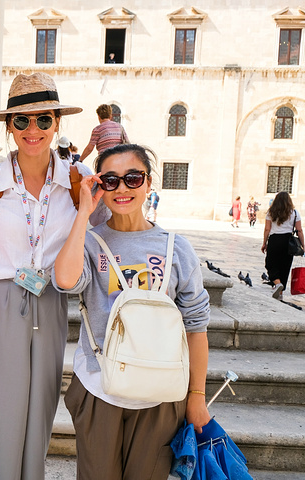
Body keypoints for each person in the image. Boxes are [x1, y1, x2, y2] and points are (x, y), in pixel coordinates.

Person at [0, 72, 108, 480]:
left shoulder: (77, 183)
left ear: (57, 122)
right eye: (21, 120)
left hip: (50, 301)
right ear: (9, 126)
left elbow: (113, 226)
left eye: (43, 119)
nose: (33, 129)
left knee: (39, 411)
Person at [53, 144, 211, 480]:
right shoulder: (90, 242)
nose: (122, 188)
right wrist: (84, 212)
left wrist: (196, 397)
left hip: (161, 393)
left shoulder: (176, 248)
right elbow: (65, 280)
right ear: (100, 187)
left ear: (149, 183)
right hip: (100, 387)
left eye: (133, 178)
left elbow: (196, 326)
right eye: (110, 180)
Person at [261, 191, 304, 299]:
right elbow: (299, 230)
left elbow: (267, 229)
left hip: (274, 240)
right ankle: (280, 291)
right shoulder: (294, 213)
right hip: (288, 242)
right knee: (285, 266)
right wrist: (303, 245)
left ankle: (277, 283)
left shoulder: (271, 212)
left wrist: (264, 243)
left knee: (270, 264)